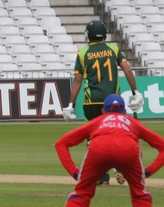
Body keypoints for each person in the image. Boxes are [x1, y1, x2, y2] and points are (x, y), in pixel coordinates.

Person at [48, 94, 164, 207]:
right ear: (124, 111)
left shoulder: (98, 121)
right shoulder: (132, 122)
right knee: (140, 195)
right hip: (127, 150)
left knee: (81, 193)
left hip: (99, 149)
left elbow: (62, 143)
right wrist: (149, 170)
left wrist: (75, 173)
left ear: (103, 110)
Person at [62, 20, 144, 185]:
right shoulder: (113, 50)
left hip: (91, 102)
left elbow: (77, 81)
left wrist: (71, 105)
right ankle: (120, 167)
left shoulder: (82, 54)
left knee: (94, 139)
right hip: (113, 102)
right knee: (119, 133)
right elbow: (127, 70)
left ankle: (102, 178)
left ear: (88, 36)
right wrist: (135, 92)